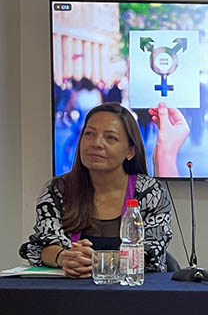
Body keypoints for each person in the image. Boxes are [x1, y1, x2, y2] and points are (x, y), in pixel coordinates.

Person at [20, 102, 174, 277]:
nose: (96, 143)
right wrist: (64, 258)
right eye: (89, 134)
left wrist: (98, 261)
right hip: (69, 293)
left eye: (110, 138)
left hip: (135, 293)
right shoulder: (58, 190)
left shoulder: (150, 192)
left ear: (130, 151)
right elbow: (43, 244)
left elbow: (152, 251)